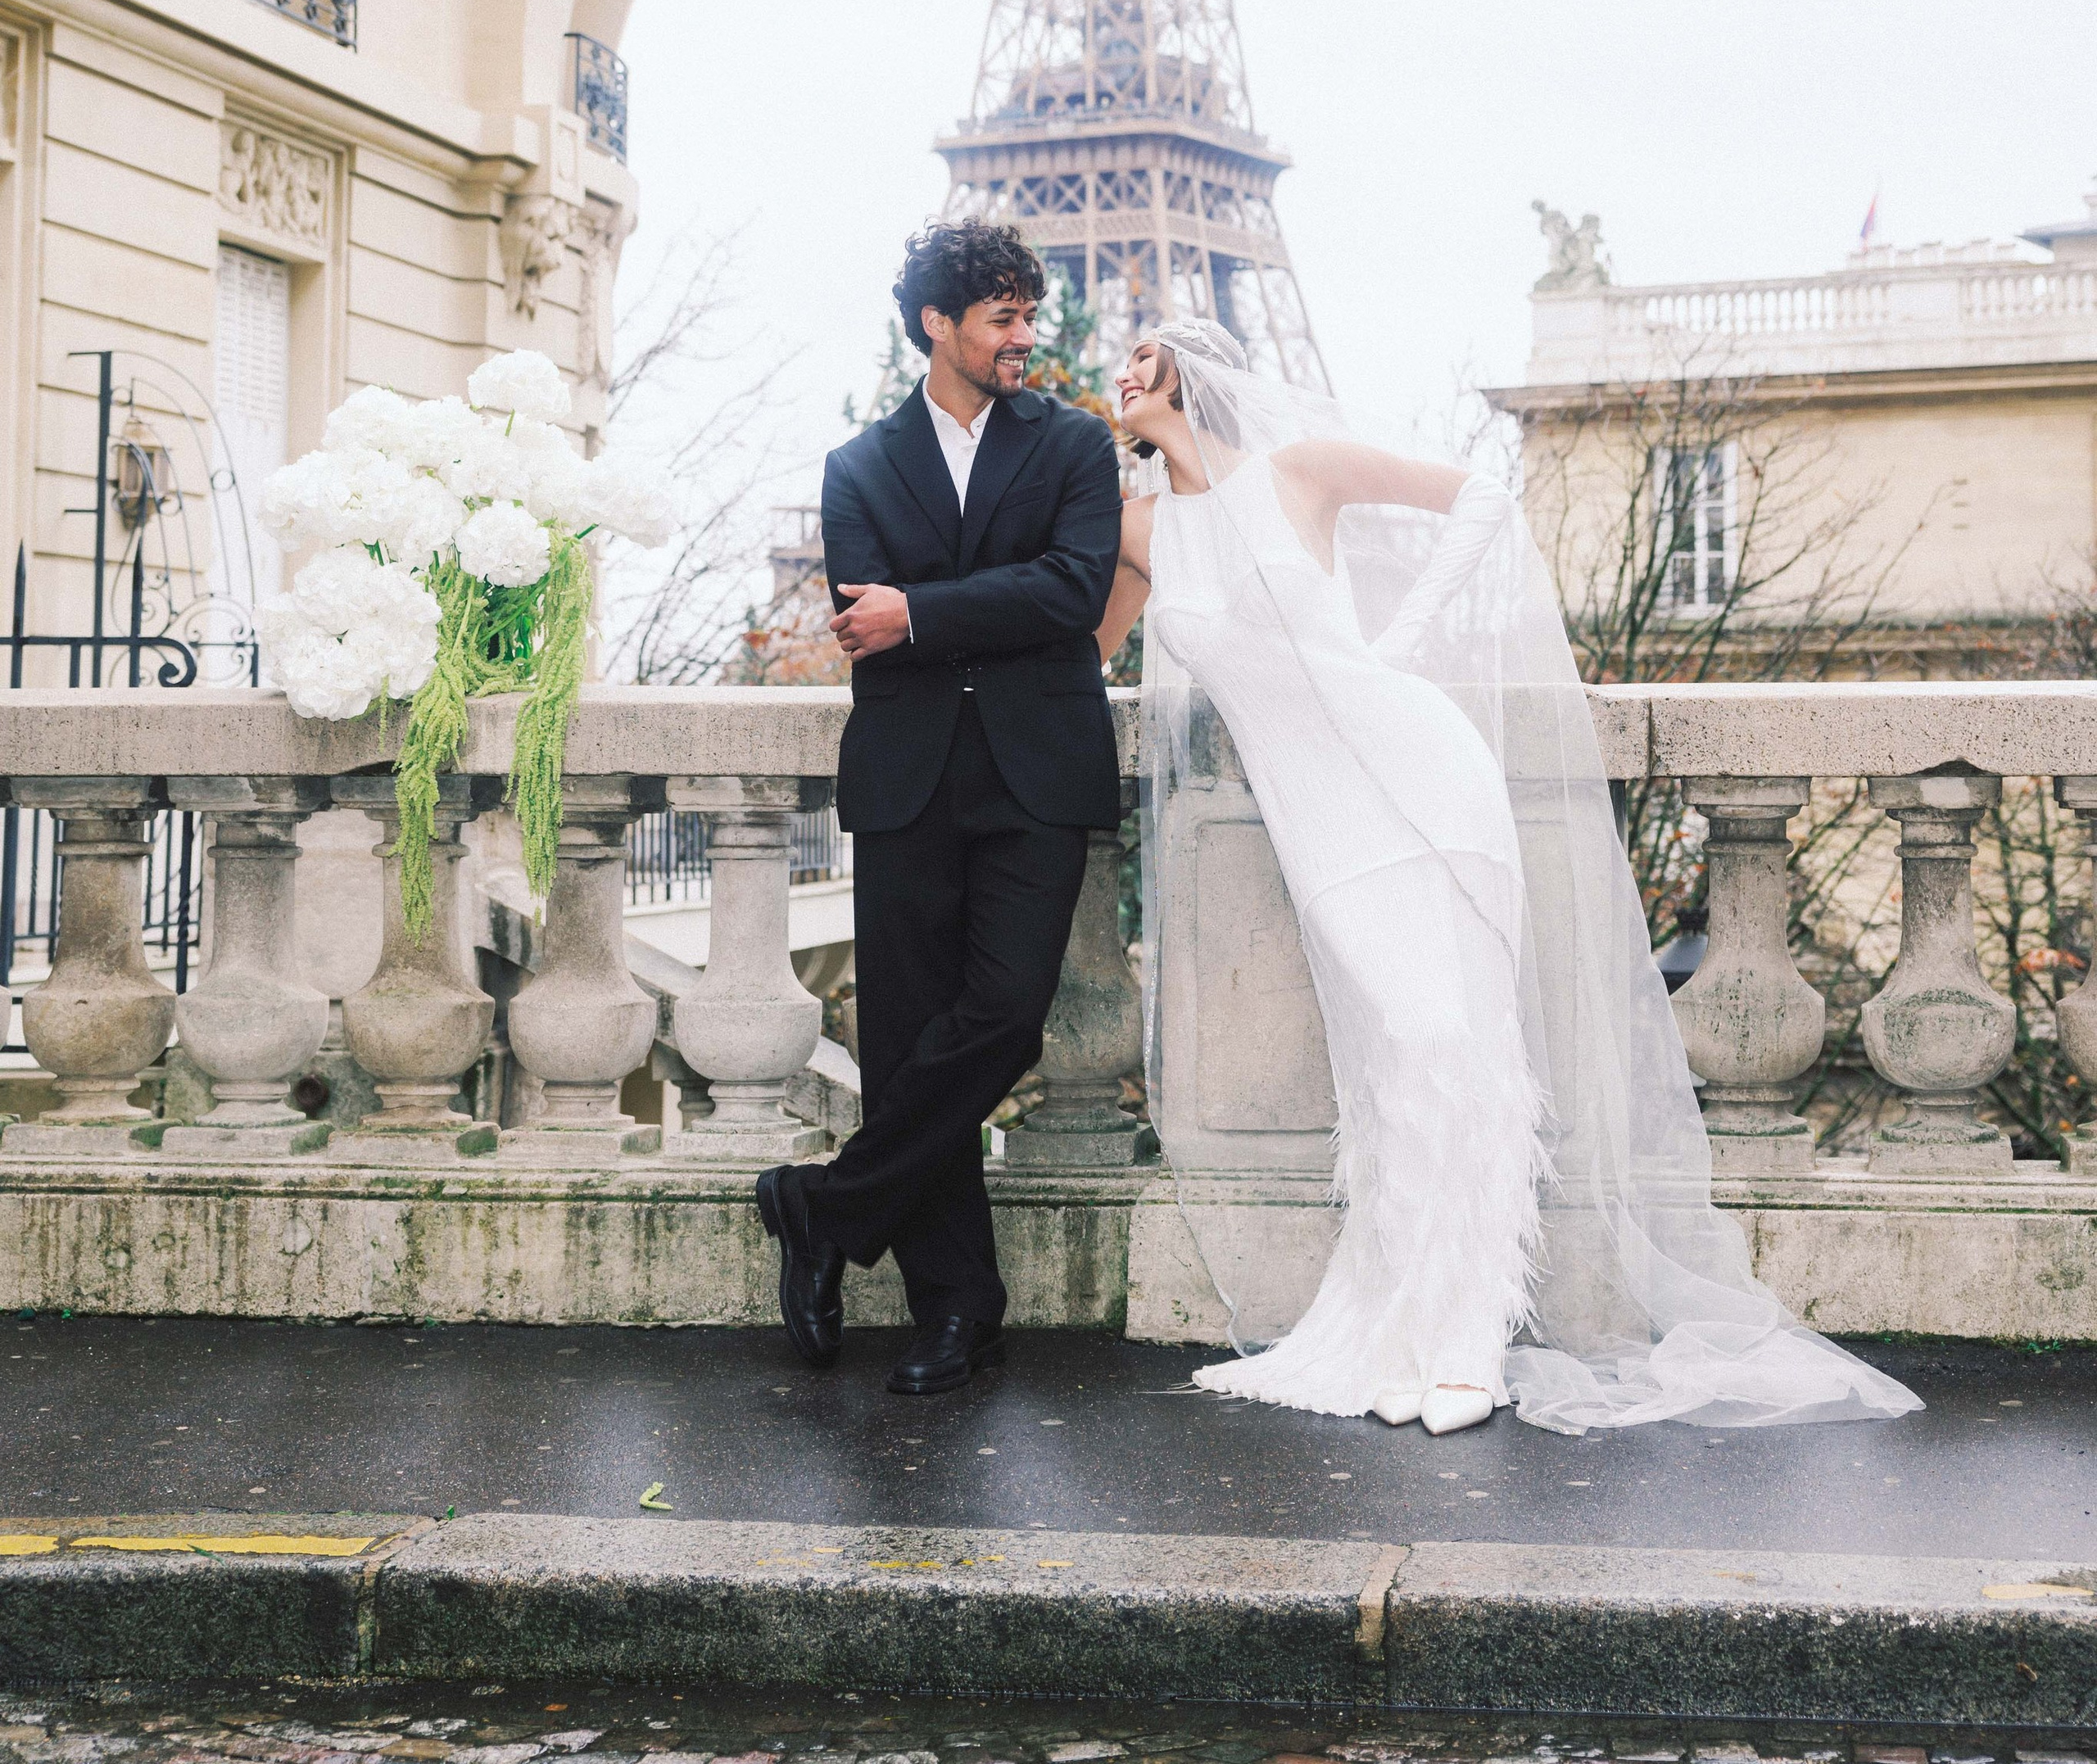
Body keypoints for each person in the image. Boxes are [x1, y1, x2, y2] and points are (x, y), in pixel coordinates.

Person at [1100, 315, 1922, 1441]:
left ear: (1188, 376)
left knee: (1453, 1046)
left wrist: (1399, 648)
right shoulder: (1144, 529)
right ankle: (1405, 1324)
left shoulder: (1299, 469)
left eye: (1140, 357)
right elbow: (1086, 647)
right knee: (1392, 1070)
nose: (1120, 372)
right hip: (1322, 825)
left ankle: (1468, 1339)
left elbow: (1483, 498)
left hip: (1417, 775)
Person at [755, 223, 1122, 1396]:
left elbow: (1073, 593)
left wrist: (923, 613)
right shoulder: (857, 466)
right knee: (914, 1044)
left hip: (1037, 773)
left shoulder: (1072, 444)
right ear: (937, 325)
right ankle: (958, 1311)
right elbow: (864, 624)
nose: (1027, 338)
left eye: (1029, 316)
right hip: (910, 775)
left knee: (1006, 1015)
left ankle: (821, 1204)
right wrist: (933, 616)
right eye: (1003, 318)